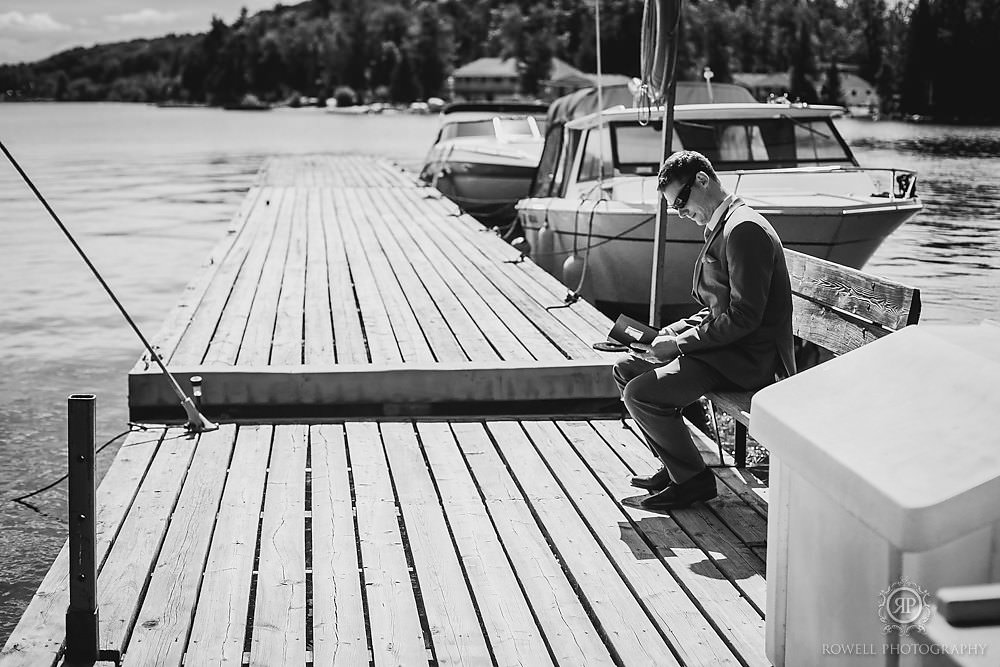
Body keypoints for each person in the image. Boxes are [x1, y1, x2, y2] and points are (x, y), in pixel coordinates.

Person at [613, 150, 796, 510]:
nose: (681, 212)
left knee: (641, 393)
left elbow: (745, 316)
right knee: (627, 370)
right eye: (674, 207)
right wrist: (666, 334)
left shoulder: (743, 229)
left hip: (747, 360)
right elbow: (716, 310)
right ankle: (677, 465)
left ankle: (694, 482)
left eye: (681, 200)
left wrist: (679, 346)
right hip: (726, 350)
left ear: (702, 179)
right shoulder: (725, 224)